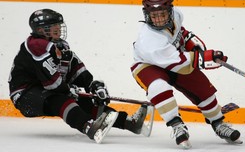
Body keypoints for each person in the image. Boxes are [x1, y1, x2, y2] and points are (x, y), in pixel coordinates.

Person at [8, 8, 148, 143]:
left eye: (58, 25)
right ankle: (88, 126)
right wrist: (68, 90)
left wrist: (92, 85)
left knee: (88, 102)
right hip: (25, 95)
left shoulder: (61, 46)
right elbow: (52, 83)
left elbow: (76, 70)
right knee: (61, 100)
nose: (58, 28)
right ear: (40, 30)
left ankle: (129, 123)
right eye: (53, 26)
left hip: (44, 89)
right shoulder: (36, 45)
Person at [131, 0, 241, 149]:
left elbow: (180, 33)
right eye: (154, 16)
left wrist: (193, 46)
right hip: (147, 65)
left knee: (202, 86)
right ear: (147, 14)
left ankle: (218, 124)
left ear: (170, 10)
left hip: (174, 59)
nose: (159, 19)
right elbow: (179, 63)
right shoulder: (148, 40)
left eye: (162, 14)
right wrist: (205, 58)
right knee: (158, 86)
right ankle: (176, 125)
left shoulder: (176, 15)